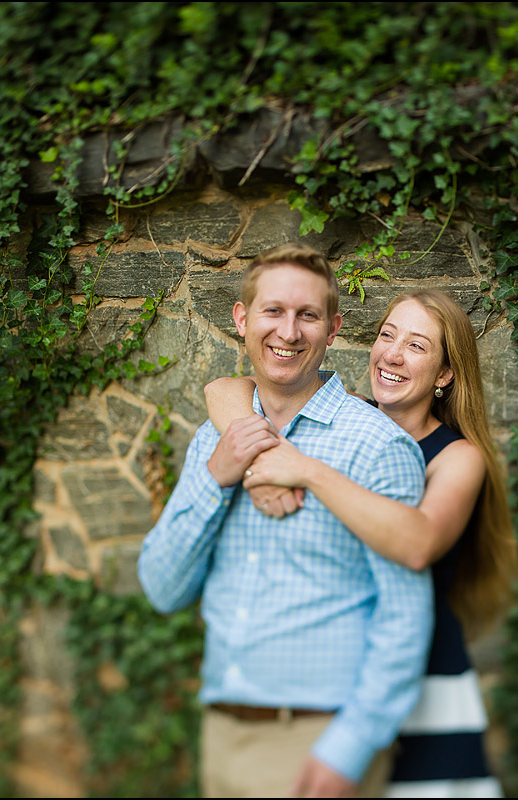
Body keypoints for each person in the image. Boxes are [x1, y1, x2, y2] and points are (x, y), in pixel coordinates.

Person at [138, 243, 434, 798]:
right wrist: (217, 475)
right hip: (222, 735)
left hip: (315, 741)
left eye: (308, 315)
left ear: (333, 328)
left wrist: (349, 749)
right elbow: (161, 589)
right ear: (242, 318)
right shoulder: (214, 438)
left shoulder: (377, 446)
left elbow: (405, 617)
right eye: (273, 311)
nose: (289, 332)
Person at [204, 288, 518, 797]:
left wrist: (305, 470)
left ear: (444, 374)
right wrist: (261, 465)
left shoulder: (457, 458)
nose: (391, 353)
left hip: (422, 679)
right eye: (386, 335)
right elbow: (224, 388)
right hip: (340, 681)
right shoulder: (344, 416)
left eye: (417, 346)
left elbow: (418, 543)